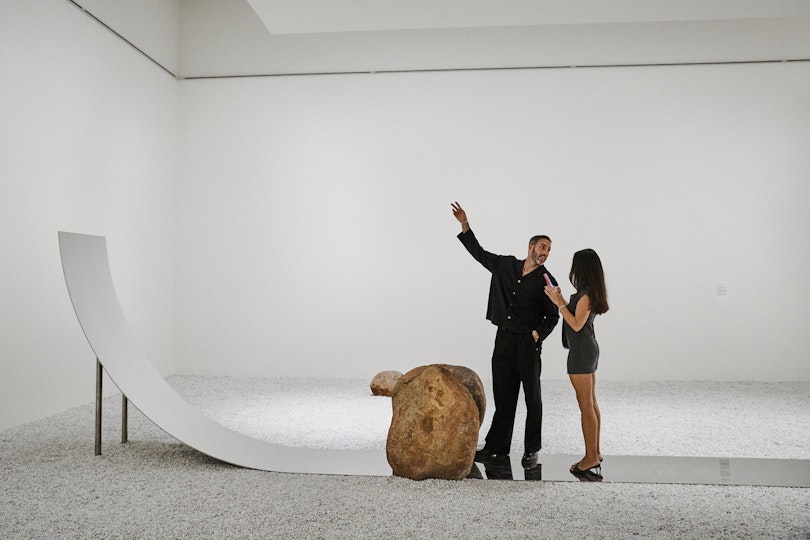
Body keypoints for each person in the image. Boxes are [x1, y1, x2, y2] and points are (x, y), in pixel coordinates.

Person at [451, 201, 560, 469]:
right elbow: (479, 253)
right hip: (504, 339)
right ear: (530, 246)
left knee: (532, 398)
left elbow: (554, 315)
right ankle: (497, 448)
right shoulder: (506, 265)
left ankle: (532, 450)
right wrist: (465, 224)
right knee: (503, 396)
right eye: (542, 247)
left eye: (548, 249)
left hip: (528, 344)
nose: (545, 253)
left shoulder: (547, 280)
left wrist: (538, 334)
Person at [544, 248, 609, 482]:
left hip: (582, 353)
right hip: (587, 349)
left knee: (586, 406)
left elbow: (576, 324)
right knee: (591, 403)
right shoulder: (586, 293)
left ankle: (590, 457)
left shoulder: (586, 296)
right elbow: (575, 316)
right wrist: (561, 299)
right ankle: (595, 453)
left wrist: (558, 303)